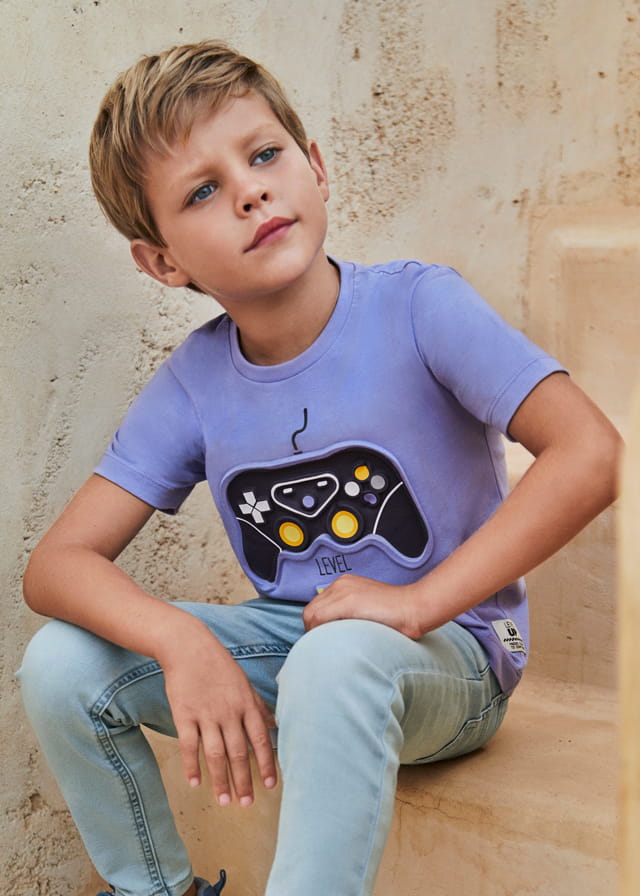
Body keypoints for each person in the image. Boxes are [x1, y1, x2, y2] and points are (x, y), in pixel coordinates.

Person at [19, 40, 621, 896]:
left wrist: (418, 603)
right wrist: (179, 641)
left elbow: (591, 454)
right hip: (298, 650)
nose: (250, 191)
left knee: (335, 661)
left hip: (454, 653)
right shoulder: (193, 384)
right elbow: (56, 566)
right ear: (162, 261)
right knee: (62, 665)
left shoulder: (418, 307)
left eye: (264, 155)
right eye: (202, 191)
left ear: (316, 165)